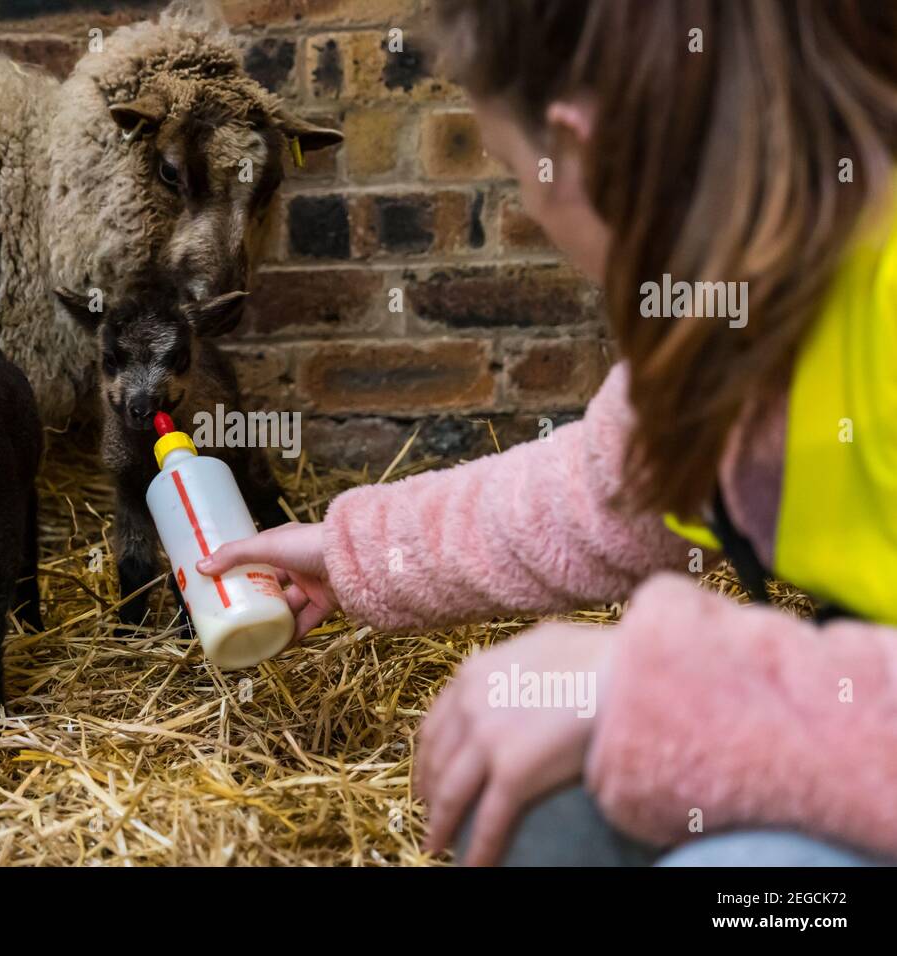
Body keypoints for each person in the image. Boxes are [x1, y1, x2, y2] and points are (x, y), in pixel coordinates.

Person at [197, 0, 897, 866]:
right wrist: (355, 552)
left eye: (516, 174)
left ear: (578, 150)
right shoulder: (741, 307)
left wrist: (653, 690)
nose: (529, 204)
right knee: (549, 816)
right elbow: (596, 496)